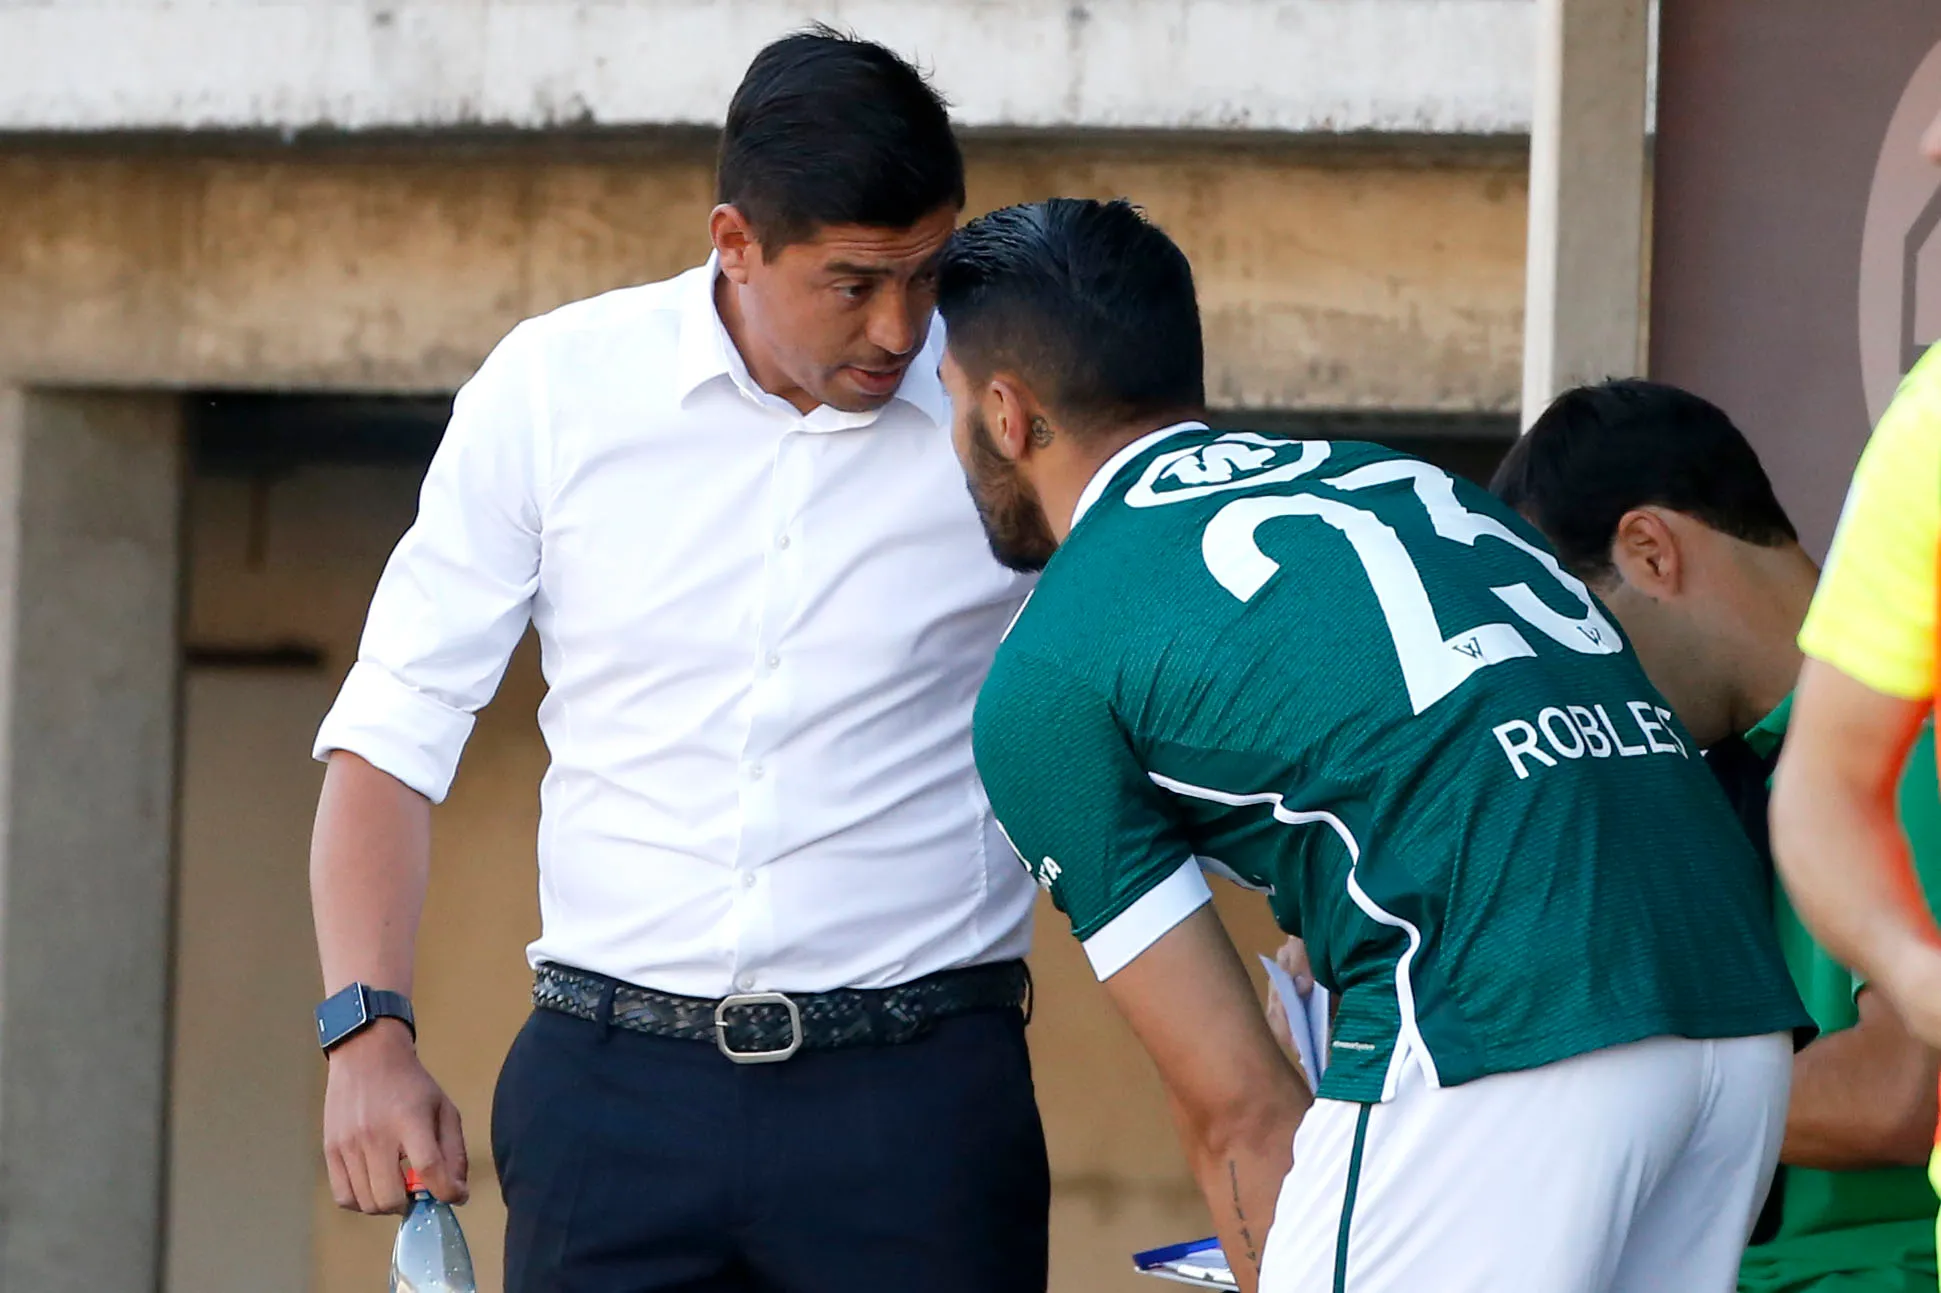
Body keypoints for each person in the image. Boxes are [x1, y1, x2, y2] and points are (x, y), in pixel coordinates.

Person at [939, 196, 1808, 1293]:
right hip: (1737, 1031)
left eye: (953, 403)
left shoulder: (1047, 665)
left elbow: (1239, 1109)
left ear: (1009, 414)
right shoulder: (1418, 482)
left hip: (1499, 1033)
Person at [306, 28, 1049, 1293]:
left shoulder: (1014, 406)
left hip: (917, 1105)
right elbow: (395, 727)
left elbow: (1152, 686)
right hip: (610, 1101)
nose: (900, 324)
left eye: (928, 274)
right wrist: (364, 1036)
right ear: (734, 241)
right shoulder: (555, 387)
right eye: (855, 281)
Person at [1493, 378, 1941, 1293]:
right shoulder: (1713, 770)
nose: (1567, 686)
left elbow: (1901, 1092)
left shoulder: (1907, 735)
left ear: (1649, 551)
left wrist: (1574, 1111)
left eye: (1568, 633)